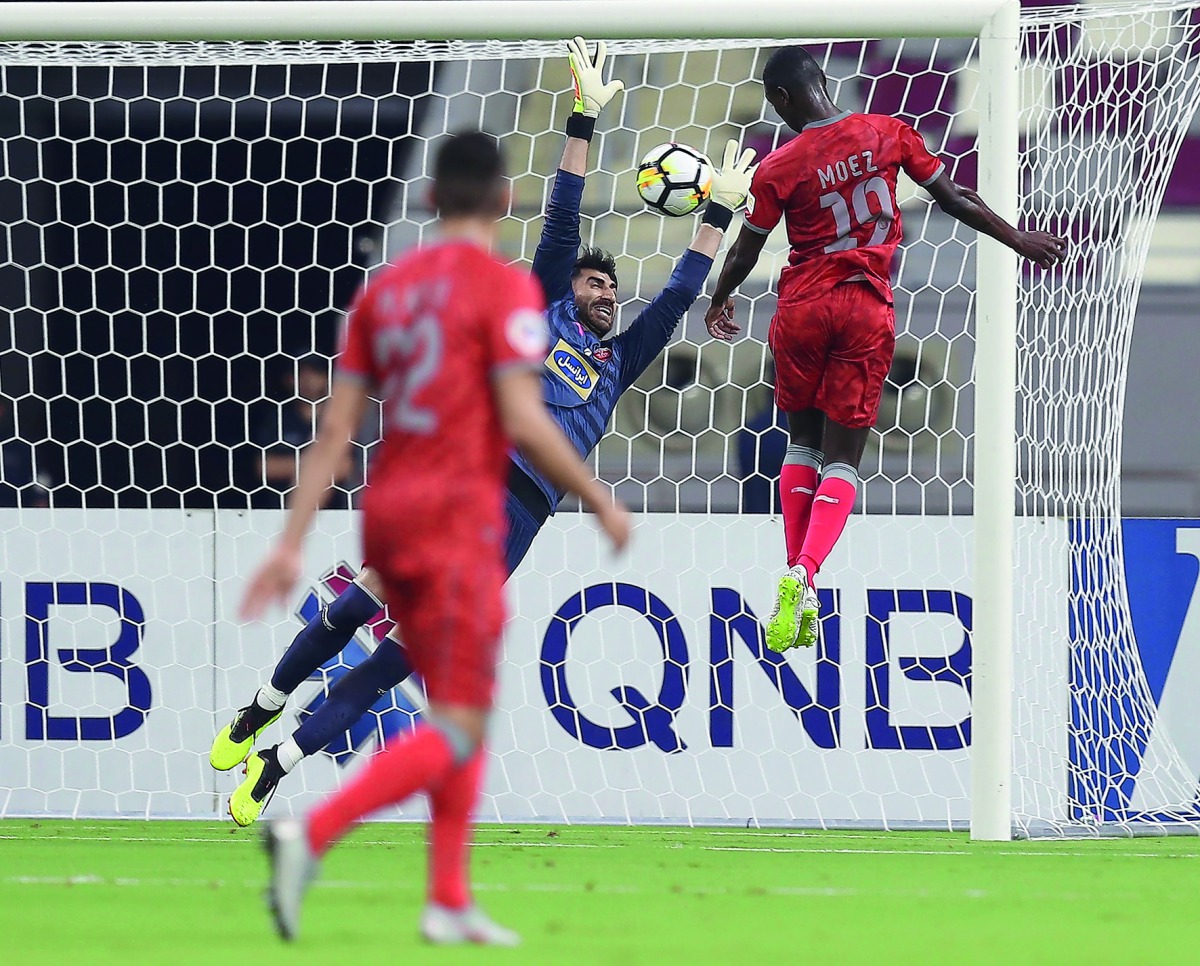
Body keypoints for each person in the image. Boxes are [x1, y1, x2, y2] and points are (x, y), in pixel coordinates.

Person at [211, 37, 755, 826]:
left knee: (408, 653)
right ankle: (262, 704)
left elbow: (677, 294)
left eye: (610, 285)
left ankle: (275, 764)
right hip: (465, 479)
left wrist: (718, 212)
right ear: (568, 289)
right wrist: (581, 116)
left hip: (521, 520)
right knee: (364, 602)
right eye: (594, 282)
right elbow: (563, 218)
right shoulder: (539, 311)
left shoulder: (620, 359)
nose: (607, 292)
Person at [241, 129, 631, 946]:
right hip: (462, 511)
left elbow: (336, 430)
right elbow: (523, 413)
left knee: (460, 702)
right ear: (499, 202)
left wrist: (290, 543)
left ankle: (447, 896)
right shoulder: (504, 295)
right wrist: (596, 494)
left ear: (428, 200)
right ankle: (309, 834)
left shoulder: (382, 295)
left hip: (390, 502)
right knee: (458, 725)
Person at [704, 46, 1067, 653]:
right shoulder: (889, 132)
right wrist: (1018, 238)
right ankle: (805, 573)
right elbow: (956, 200)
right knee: (843, 459)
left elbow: (745, 248)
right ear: (823, 83)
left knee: (800, 444)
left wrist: (721, 297)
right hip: (864, 307)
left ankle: (798, 575)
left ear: (785, 99)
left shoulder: (779, 166)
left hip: (801, 308)